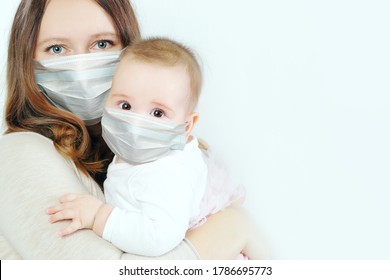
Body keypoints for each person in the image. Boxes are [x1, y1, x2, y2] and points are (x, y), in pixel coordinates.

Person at [0, 0, 268, 259]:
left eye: (102, 43)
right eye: (57, 49)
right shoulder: (18, 154)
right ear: (26, 60)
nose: (81, 68)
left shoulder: (138, 155)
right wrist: (233, 227)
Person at [46, 38, 257, 258]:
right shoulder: (141, 153)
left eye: (157, 113)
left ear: (186, 126)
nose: (135, 123)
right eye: (125, 106)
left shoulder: (168, 173)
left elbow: (159, 237)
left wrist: (99, 216)